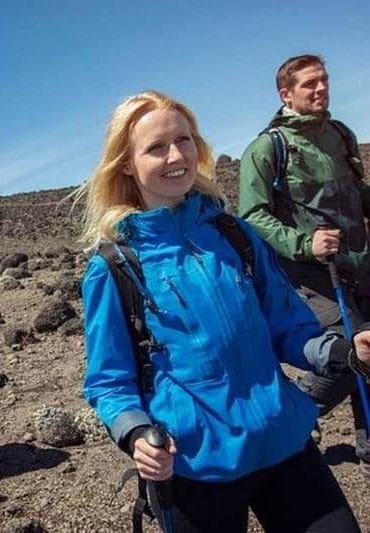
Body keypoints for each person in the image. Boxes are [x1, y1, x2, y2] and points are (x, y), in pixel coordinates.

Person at [79, 90, 366, 532]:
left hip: (282, 438)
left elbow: (287, 326)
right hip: (194, 465)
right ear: (125, 163)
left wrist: (341, 352)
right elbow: (108, 381)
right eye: (156, 148)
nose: (177, 155)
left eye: (184, 139)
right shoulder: (116, 268)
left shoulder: (237, 236)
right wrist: (136, 433)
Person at [238, 54, 370, 472]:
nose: (321, 89)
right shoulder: (267, 148)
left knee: (369, 350)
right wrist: (304, 243)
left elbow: (354, 193)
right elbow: (253, 217)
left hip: (360, 264)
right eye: (310, 84)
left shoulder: (339, 134)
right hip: (311, 274)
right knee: (351, 354)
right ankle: (296, 412)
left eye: (324, 80)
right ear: (286, 94)